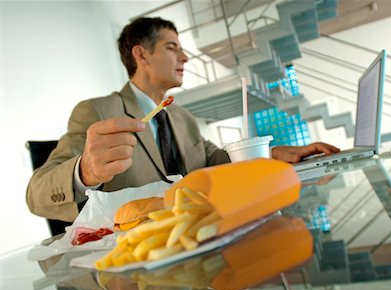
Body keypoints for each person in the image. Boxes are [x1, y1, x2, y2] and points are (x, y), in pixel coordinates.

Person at [26, 17, 339, 222]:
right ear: (141, 55)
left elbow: (214, 160)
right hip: (134, 268)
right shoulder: (97, 112)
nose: (185, 58)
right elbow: (36, 194)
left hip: (198, 242)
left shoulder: (183, 117)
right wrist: (86, 170)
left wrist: (271, 155)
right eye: (172, 48)